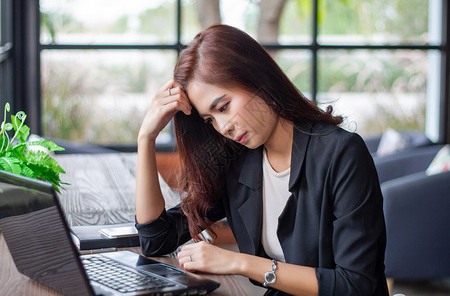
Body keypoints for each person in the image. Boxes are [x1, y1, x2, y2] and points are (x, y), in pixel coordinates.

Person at [135, 24, 388, 296]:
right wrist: (146, 139)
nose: (222, 127)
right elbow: (157, 239)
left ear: (257, 79)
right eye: (210, 119)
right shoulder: (238, 161)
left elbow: (357, 285)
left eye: (223, 107)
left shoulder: (341, 153)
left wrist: (240, 262)